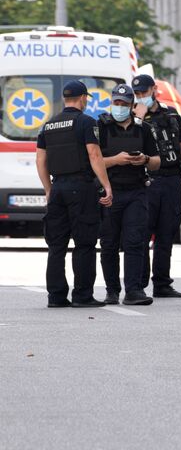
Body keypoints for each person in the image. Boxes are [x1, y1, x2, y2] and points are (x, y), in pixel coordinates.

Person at [35, 81, 113, 308]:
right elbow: (94, 155)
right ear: (82, 98)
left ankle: (56, 297)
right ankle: (82, 295)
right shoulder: (86, 122)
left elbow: (40, 160)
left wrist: (48, 189)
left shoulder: (48, 125)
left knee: (56, 246)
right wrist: (106, 185)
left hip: (57, 187)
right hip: (81, 187)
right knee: (85, 243)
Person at [97, 84, 162, 305]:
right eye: (117, 103)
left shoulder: (143, 129)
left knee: (135, 242)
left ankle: (134, 290)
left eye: (124, 104)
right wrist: (116, 160)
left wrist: (143, 159)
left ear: (132, 105)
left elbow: (156, 162)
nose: (120, 107)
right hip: (110, 192)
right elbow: (92, 162)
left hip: (136, 191)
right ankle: (112, 290)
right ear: (111, 103)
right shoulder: (101, 127)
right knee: (109, 244)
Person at [132, 74, 181, 298]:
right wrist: (137, 120)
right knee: (141, 234)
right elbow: (129, 144)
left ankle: (162, 283)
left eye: (144, 93)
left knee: (166, 233)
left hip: (170, 180)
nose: (141, 97)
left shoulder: (170, 114)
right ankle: (137, 285)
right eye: (137, 94)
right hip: (146, 182)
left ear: (154, 91)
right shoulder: (132, 117)